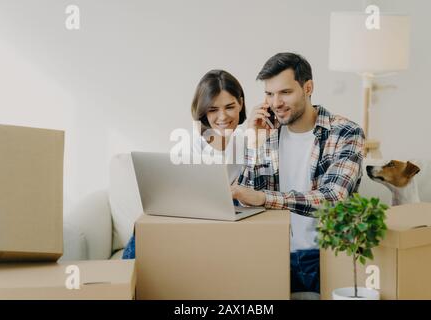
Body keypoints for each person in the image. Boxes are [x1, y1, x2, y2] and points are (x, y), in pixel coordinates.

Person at [231, 53, 366, 296]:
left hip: (326, 256)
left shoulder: (345, 132)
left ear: (308, 88)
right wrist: (253, 143)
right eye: (269, 94)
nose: (275, 102)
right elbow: (242, 199)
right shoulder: (266, 133)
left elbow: (334, 198)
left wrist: (265, 198)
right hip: (273, 253)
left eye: (285, 92)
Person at [122, 69, 247, 259]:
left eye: (229, 107)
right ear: (203, 111)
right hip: (190, 212)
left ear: (241, 103)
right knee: (146, 231)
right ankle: (126, 280)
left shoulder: (247, 140)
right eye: (213, 110)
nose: (222, 117)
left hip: (229, 215)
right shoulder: (190, 143)